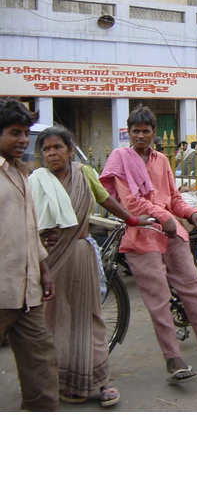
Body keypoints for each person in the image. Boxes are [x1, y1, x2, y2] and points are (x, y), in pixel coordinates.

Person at [99, 104, 197, 383]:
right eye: (135, 131)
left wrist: (192, 213)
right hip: (141, 235)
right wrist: (164, 216)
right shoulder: (120, 158)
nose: (140, 136)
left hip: (171, 232)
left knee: (194, 288)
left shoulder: (161, 159)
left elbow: (173, 196)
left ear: (153, 133)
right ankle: (173, 359)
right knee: (159, 300)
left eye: (145, 131)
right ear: (128, 132)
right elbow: (130, 202)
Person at [29, 125, 153, 406]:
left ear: (70, 150)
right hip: (49, 259)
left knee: (90, 319)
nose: (52, 153)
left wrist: (132, 219)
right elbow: (28, 217)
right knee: (54, 320)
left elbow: (105, 198)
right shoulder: (36, 181)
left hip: (80, 254)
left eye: (58, 147)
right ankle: (62, 381)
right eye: (46, 149)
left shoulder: (83, 174)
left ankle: (101, 380)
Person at [0, 99, 59, 411]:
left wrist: (43, 269)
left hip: (28, 292)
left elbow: (28, 228)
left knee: (41, 365)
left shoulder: (21, 172)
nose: (23, 140)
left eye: (25, 133)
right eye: (14, 132)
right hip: (2, 290)